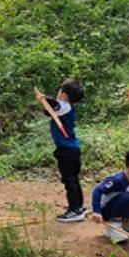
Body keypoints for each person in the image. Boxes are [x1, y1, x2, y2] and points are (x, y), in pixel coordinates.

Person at [35, 79, 86, 222]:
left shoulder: (65, 106)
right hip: (71, 150)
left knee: (70, 180)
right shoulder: (65, 108)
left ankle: (75, 209)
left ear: (63, 94)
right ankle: (79, 207)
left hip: (67, 151)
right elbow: (49, 111)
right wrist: (45, 103)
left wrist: (45, 98)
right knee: (73, 180)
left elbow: (54, 104)